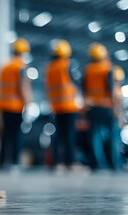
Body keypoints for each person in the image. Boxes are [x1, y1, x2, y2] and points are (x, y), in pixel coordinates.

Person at [83, 43, 122, 170]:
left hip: (93, 107)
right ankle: (114, 164)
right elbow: (111, 89)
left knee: (94, 137)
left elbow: (85, 89)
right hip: (107, 107)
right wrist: (117, 108)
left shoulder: (88, 69)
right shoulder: (107, 68)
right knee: (112, 136)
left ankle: (97, 164)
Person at [45, 39, 82, 171]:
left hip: (56, 107)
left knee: (58, 136)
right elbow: (76, 82)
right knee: (69, 136)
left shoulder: (49, 67)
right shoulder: (66, 64)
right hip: (69, 106)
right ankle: (70, 162)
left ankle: (57, 162)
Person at [0, 38, 32, 168]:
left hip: (4, 106)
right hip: (16, 107)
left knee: (5, 135)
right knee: (16, 135)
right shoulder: (21, 67)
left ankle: (3, 161)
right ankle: (15, 161)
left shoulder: (5, 67)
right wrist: (28, 104)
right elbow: (23, 87)